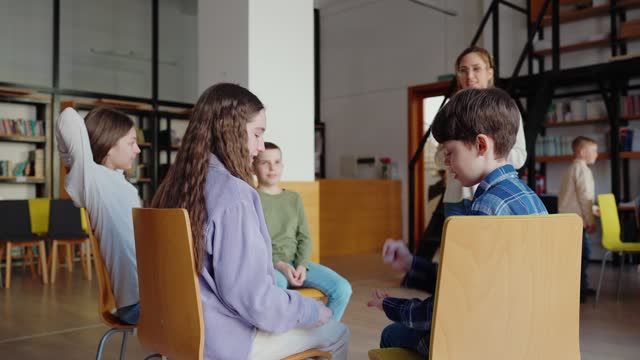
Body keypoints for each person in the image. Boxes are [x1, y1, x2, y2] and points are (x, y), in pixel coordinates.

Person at [151, 83, 349, 360]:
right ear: (228, 129)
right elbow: (255, 301)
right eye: (257, 134)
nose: (259, 147)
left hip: (173, 332)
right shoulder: (233, 196)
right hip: (222, 342)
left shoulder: (171, 188)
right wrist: (310, 310)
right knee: (337, 332)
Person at [368, 88, 547, 357]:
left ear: (481, 145)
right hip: (528, 338)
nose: (448, 164)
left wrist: (393, 306)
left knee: (392, 334)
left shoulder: (486, 208)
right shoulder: (532, 199)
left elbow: (452, 306)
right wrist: (413, 264)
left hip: (482, 343)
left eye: (450, 152)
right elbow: (470, 282)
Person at [56, 107, 141, 325]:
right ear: (109, 144)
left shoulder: (116, 182)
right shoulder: (94, 179)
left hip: (147, 296)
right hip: (139, 303)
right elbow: (68, 117)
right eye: (131, 143)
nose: (138, 150)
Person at [253, 141, 352, 321]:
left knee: (342, 288)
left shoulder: (294, 198)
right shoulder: (251, 198)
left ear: (282, 165)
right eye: (264, 162)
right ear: (253, 167)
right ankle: (285, 338)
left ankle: (323, 335)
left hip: (296, 263)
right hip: (269, 266)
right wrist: (280, 265)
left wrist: (301, 265)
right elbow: (254, 243)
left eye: (276, 162)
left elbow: (304, 237)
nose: (272, 167)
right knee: (278, 287)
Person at [436, 46, 527, 217]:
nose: (469, 76)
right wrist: (454, 154)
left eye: (476, 69)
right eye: (463, 70)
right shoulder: (451, 110)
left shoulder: (506, 109)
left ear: (490, 73)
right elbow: (440, 160)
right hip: (455, 199)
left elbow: (520, 157)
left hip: (493, 194)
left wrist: (485, 154)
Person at [558, 136, 599, 302]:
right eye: (594, 150)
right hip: (578, 221)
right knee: (583, 255)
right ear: (582, 152)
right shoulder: (583, 170)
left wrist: (592, 210)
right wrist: (590, 220)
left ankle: (581, 286)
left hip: (568, 219)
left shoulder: (570, 169)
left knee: (576, 255)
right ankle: (579, 290)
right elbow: (585, 197)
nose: (597, 154)